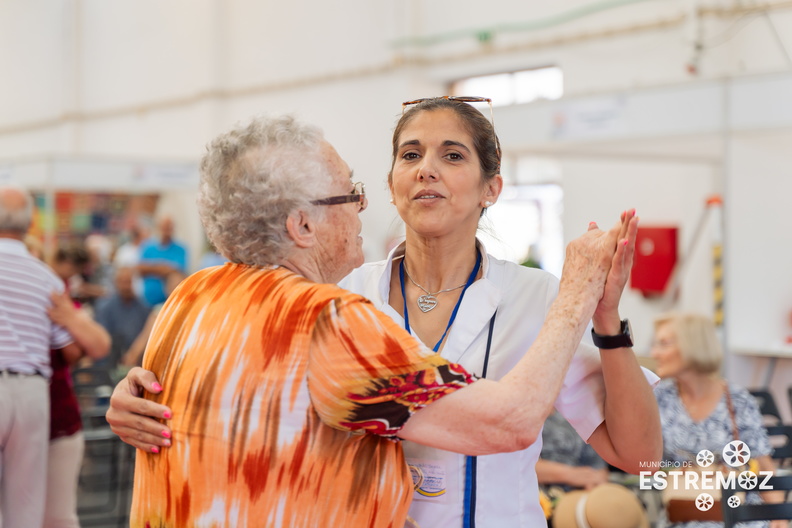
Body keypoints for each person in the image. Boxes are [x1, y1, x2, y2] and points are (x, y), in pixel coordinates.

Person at [108, 102, 662, 527]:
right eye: (410, 154)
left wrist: (607, 321)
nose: (427, 170)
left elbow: (639, 456)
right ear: (392, 186)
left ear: (491, 188)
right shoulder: (338, 298)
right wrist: (148, 396)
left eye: (452, 155)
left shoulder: (537, 296)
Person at [651, 312, 787, 528]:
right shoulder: (658, 398)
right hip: (682, 510)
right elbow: (645, 463)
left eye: (664, 344)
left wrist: (779, 516)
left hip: (738, 511)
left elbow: (764, 467)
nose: (654, 353)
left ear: (692, 345)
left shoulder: (737, 400)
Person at [0, 185, 79, 528]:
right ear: (30, 223)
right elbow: (68, 347)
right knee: (26, 505)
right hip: (33, 393)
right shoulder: (46, 277)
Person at [45, 289, 110, 528]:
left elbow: (96, 346)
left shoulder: (49, 295)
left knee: (58, 514)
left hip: (57, 414)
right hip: (46, 411)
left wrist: (70, 320)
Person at [94, 266, 151, 368]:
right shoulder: (105, 307)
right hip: (111, 360)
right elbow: (103, 338)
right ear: (116, 283)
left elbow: (147, 334)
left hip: (137, 359)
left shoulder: (142, 306)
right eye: (122, 282)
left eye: (128, 282)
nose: (126, 286)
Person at [137, 215, 188, 306]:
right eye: (164, 227)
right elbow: (140, 269)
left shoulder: (180, 249)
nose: (166, 230)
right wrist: (164, 268)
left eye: (169, 227)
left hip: (171, 301)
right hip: (148, 301)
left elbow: (178, 272)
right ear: (159, 227)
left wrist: (151, 268)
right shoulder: (148, 247)